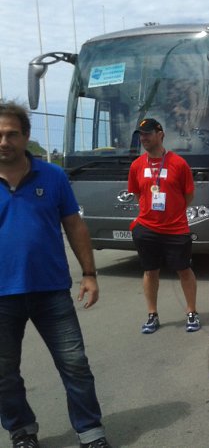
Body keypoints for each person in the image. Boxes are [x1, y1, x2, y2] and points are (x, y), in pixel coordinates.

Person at [0, 101, 111, 448]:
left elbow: (74, 225)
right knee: (3, 374)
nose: (4, 142)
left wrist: (89, 273)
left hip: (50, 291)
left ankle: (90, 432)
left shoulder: (53, 176)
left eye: (11, 134)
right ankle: (22, 431)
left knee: (75, 364)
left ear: (25, 137)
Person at [127, 118, 200, 334]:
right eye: (141, 134)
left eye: (148, 133)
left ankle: (192, 312)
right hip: (147, 228)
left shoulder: (178, 163)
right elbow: (138, 193)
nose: (144, 138)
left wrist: (173, 212)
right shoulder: (137, 165)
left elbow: (188, 195)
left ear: (160, 134)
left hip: (176, 229)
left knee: (184, 270)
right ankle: (152, 315)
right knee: (150, 271)